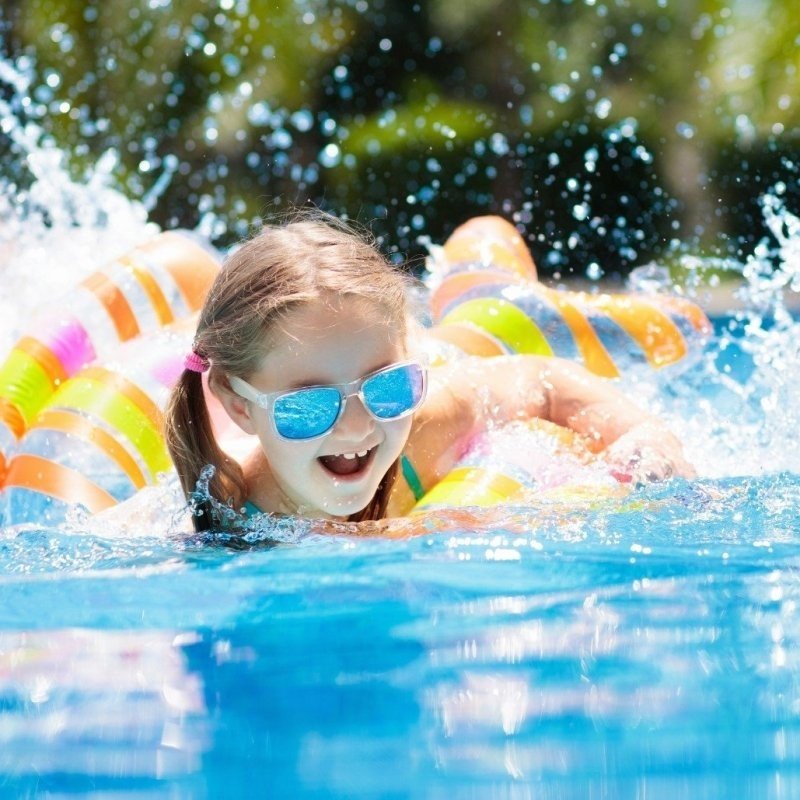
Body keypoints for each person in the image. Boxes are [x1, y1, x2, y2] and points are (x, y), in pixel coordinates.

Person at [165, 211, 695, 531]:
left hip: (459, 353)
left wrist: (641, 434)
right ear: (239, 407)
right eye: (309, 405)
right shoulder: (218, 514)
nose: (356, 428)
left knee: (492, 325)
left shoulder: (423, 425)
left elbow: (539, 380)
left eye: (389, 388)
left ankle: (496, 290)